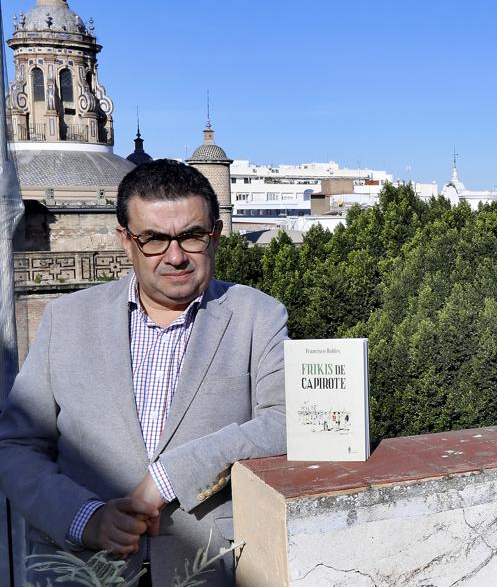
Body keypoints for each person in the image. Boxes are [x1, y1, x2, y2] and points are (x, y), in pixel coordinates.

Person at [0, 159, 287, 585]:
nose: (176, 257)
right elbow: (17, 445)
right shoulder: (68, 319)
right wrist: (86, 518)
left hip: (210, 567)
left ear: (216, 235)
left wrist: (168, 476)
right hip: (84, 568)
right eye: (154, 239)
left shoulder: (258, 315)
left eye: (192, 236)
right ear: (126, 240)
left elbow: (285, 421)